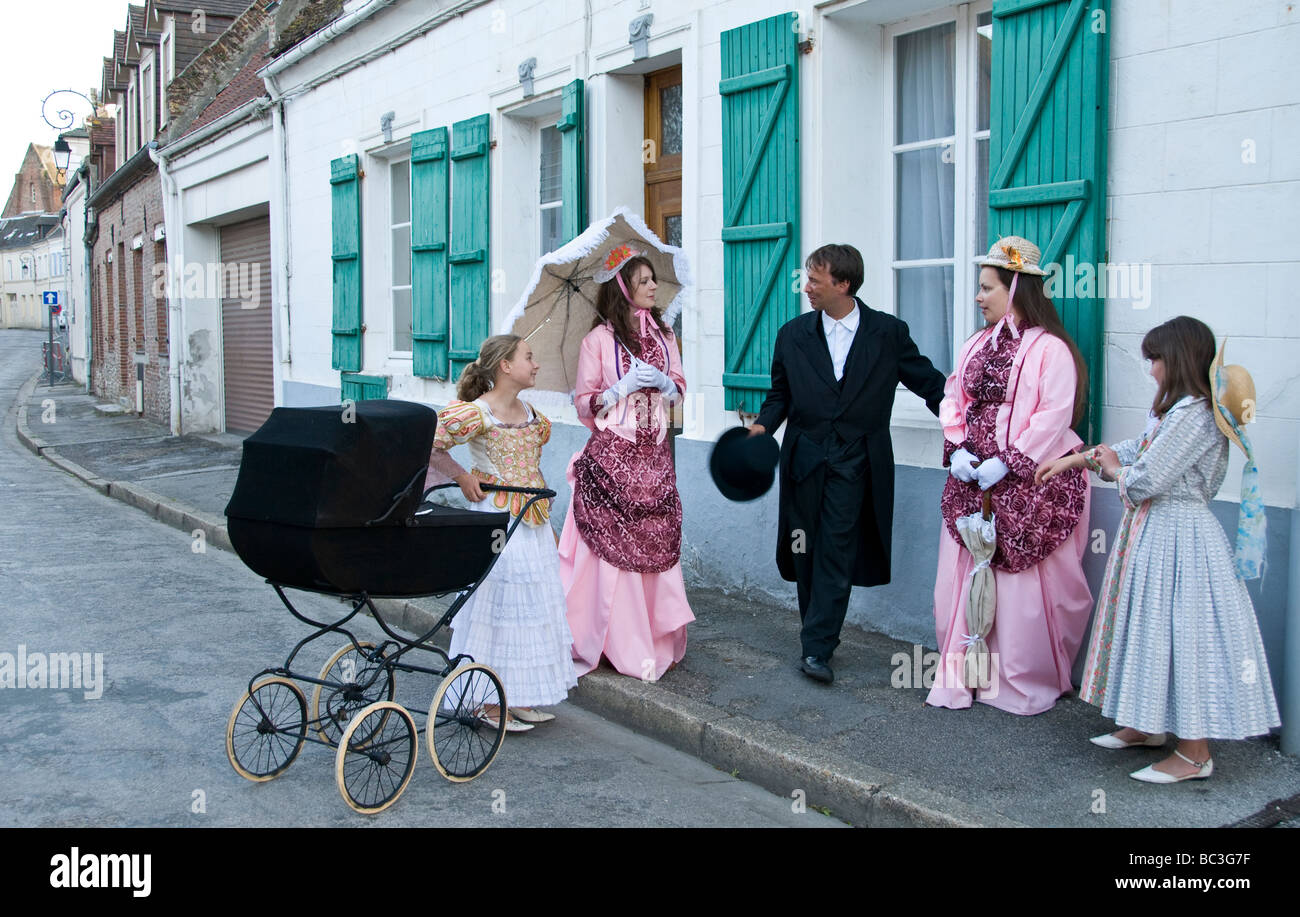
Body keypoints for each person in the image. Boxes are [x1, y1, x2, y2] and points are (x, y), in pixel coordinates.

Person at [1039, 316, 1280, 782]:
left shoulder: (1195, 417)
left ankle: (1194, 755)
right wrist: (1076, 458)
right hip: (1157, 535)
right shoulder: (1180, 412)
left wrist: (1109, 470)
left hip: (1181, 540)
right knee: (1151, 629)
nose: (1150, 369)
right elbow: (1136, 449)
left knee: (1184, 636)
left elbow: (1147, 477)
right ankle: (1146, 726)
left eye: (1155, 359)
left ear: (1179, 359)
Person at [749, 243, 947, 684]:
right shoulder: (791, 334)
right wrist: (763, 427)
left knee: (837, 549)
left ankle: (818, 647)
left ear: (844, 284)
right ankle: (813, 633)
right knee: (804, 547)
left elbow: (930, 384)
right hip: (803, 460)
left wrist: (970, 426)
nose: (807, 287)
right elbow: (780, 394)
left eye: (815, 280)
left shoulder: (888, 333)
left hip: (856, 462)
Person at [927, 236, 1092, 715]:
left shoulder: (1051, 350)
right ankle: (967, 674)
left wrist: (1012, 459)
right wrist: (958, 447)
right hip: (973, 479)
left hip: (1031, 483)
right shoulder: (975, 344)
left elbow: (1054, 412)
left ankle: (1018, 679)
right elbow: (955, 397)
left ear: (1015, 287)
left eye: (986, 288)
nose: (978, 297)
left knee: (1021, 586)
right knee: (965, 571)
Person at [427, 334, 577, 731]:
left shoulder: (531, 414)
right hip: (495, 519)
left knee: (533, 606)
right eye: (529, 357)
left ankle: (517, 695)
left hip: (533, 521)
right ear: (505, 366)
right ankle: (486, 701)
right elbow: (430, 444)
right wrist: (460, 476)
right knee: (498, 607)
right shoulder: (475, 414)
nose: (536, 364)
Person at [559, 244, 693, 681]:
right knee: (612, 552)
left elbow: (679, 388)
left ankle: (651, 638)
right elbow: (584, 403)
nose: (654, 286)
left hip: (655, 458)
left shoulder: (665, 335)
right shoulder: (597, 340)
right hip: (612, 460)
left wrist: (665, 384)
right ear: (624, 288)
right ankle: (612, 639)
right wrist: (619, 390)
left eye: (654, 279)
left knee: (654, 543)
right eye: (644, 280)